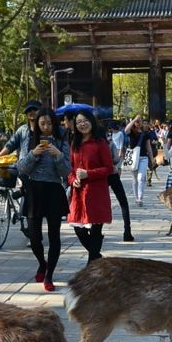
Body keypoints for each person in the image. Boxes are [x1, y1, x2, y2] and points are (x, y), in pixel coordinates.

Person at [17, 108, 70, 292]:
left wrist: (57, 155)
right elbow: (21, 168)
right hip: (34, 190)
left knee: (54, 235)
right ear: (37, 125)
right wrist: (34, 154)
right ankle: (42, 262)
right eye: (42, 124)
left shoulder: (62, 140)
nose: (46, 127)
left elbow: (66, 172)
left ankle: (49, 276)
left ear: (54, 124)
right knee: (34, 236)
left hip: (54, 190)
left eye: (49, 123)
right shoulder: (30, 140)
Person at [68, 110, 113, 262]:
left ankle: (92, 263)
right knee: (78, 228)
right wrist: (73, 179)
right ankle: (97, 258)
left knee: (95, 228)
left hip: (96, 192)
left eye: (85, 120)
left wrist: (89, 174)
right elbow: (71, 169)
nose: (82, 124)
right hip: (79, 193)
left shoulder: (100, 142)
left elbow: (109, 168)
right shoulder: (75, 143)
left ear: (91, 121)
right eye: (79, 122)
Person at [107, 128, 134, 242]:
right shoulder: (109, 143)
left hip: (98, 176)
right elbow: (116, 158)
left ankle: (95, 231)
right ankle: (127, 231)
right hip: (112, 174)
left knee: (99, 203)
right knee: (123, 202)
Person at [124, 115, 155, 207]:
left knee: (141, 178)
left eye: (140, 121)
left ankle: (140, 198)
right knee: (135, 179)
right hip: (133, 157)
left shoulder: (145, 133)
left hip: (143, 158)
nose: (138, 123)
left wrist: (152, 158)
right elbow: (126, 130)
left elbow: (148, 146)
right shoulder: (131, 132)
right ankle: (136, 197)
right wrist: (133, 120)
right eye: (137, 121)